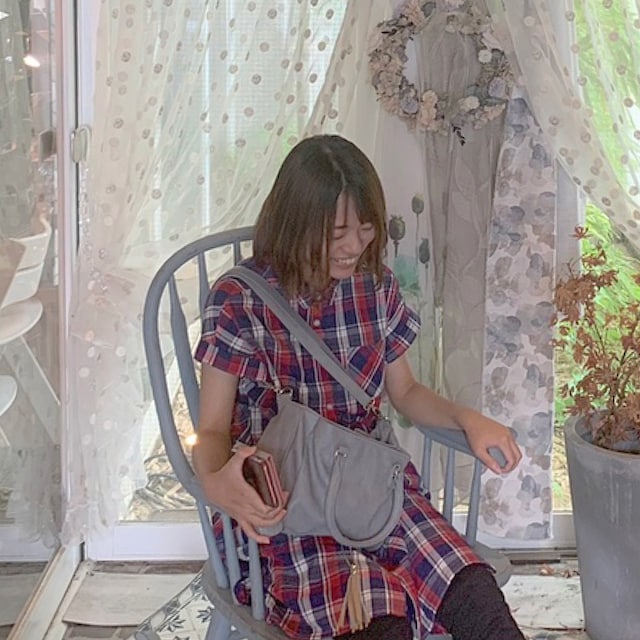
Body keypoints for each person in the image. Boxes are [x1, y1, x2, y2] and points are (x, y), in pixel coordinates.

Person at [193, 134, 525, 640]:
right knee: (374, 610)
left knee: (465, 584)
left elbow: (405, 392)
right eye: (337, 233)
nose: (355, 246)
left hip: (371, 485)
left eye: (366, 228)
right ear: (295, 222)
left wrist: (468, 419)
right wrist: (216, 483)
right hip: (284, 501)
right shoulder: (238, 299)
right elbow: (213, 429)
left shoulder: (375, 286)